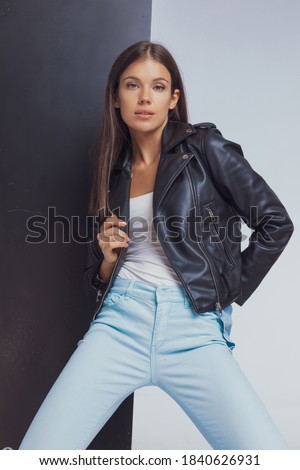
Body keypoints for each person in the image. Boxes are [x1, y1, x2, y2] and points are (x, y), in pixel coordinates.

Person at [19, 40, 293, 450]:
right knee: (38, 455)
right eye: (132, 85)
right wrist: (107, 260)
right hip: (118, 325)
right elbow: (95, 279)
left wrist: (225, 292)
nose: (145, 97)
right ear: (116, 96)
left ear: (173, 98)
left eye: (158, 86)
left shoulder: (205, 149)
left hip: (192, 329)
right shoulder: (112, 172)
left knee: (266, 456)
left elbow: (276, 222)